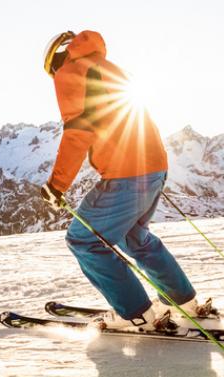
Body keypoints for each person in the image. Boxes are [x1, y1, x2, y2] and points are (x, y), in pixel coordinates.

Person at [39, 29, 211, 332]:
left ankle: (135, 313)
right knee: (136, 238)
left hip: (127, 173)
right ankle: (181, 302)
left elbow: (78, 132)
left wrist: (57, 186)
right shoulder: (107, 67)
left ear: (56, 60)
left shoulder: (70, 72)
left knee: (83, 239)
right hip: (153, 164)